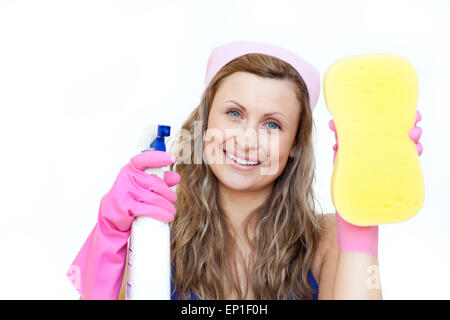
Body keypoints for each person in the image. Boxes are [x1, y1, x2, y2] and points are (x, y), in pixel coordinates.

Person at [67, 41, 423, 300]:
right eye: (234, 114)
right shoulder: (158, 234)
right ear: (205, 123)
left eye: (272, 125)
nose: (247, 140)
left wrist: (361, 215)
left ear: (295, 144)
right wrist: (111, 235)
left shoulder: (325, 242)